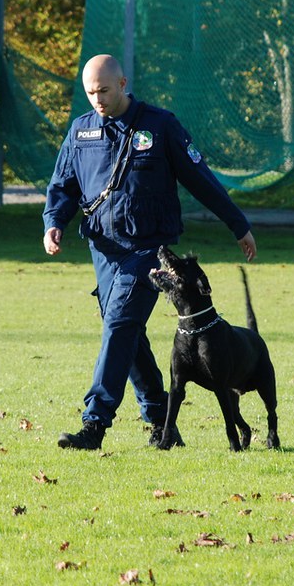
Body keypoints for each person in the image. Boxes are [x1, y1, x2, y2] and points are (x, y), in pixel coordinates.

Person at [43, 54, 256, 450]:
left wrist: (237, 224)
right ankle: (162, 419)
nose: (97, 100)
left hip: (147, 250)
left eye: (104, 90)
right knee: (126, 333)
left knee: (120, 325)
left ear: (123, 84)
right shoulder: (81, 132)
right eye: (90, 93)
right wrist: (53, 222)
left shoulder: (160, 126)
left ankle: (94, 424)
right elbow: (63, 187)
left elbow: (201, 179)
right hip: (104, 251)